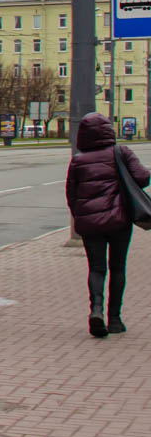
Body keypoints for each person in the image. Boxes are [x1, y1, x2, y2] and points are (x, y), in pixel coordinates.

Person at [66, 111, 150, 337]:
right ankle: (115, 319)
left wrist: (81, 217)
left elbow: (71, 195)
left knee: (96, 269)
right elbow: (143, 178)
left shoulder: (77, 160)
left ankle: (96, 310)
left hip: (90, 224)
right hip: (119, 221)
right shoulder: (121, 152)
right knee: (117, 268)